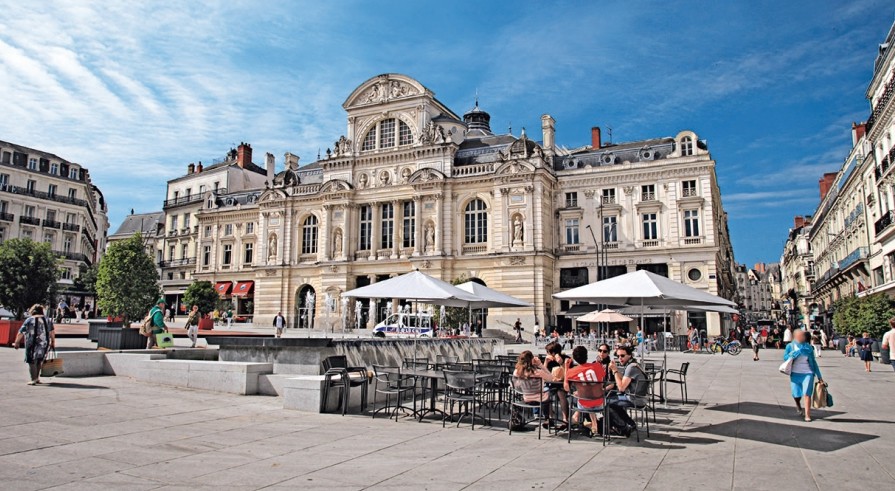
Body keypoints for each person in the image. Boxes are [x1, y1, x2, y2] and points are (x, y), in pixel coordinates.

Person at [563, 346, 606, 434]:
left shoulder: (572, 371)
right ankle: (593, 424)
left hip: (584, 403)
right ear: (586, 356)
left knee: (578, 395)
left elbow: (566, 388)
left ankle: (578, 417)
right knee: (588, 395)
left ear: (575, 358)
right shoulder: (597, 366)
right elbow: (602, 382)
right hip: (600, 402)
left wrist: (566, 369)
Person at [783, 329, 824, 422]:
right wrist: (791, 355)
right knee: (796, 394)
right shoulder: (790, 346)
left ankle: (807, 415)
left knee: (807, 393)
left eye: (802, 335)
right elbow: (785, 358)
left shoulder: (808, 348)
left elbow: (813, 362)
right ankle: (798, 403)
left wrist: (819, 376)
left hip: (808, 373)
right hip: (795, 373)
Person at [606, 345, 645, 436]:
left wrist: (615, 371)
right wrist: (615, 371)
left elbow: (621, 388)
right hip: (639, 397)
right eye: (618, 356)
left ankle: (624, 427)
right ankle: (630, 424)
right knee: (613, 400)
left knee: (607, 403)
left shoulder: (631, 367)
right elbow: (623, 379)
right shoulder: (633, 364)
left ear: (629, 355)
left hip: (635, 399)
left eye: (622, 356)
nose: (620, 358)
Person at [13, 305, 55, 385]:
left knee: (31, 360)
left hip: (31, 343)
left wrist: (16, 342)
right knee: (39, 360)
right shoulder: (47, 320)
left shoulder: (29, 320)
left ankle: (33, 379)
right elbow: (52, 332)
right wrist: (53, 342)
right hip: (44, 343)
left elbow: (21, 332)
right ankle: (37, 378)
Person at [513, 351, 555, 427]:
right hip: (540, 399)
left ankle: (542, 416)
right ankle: (547, 418)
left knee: (544, 394)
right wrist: (540, 365)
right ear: (532, 359)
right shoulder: (538, 372)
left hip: (526, 398)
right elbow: (551, 378)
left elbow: (517, 385)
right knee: (547, 393)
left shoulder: (516, 372)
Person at [544, 342, 570, 430]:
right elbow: (543, 374)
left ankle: (565, 419)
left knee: (561, 394)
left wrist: (562, 363)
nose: (547, 354)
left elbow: (570, 373)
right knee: (546, 393)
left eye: (548, 352)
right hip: (551, 384)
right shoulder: (548, 360)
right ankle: (550, 417)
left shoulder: (566, 359)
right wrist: (546, 363)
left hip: (563, 384)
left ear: (553, 353)